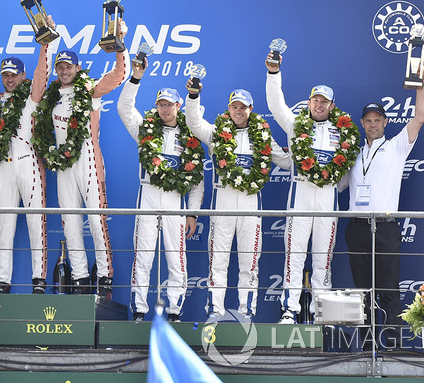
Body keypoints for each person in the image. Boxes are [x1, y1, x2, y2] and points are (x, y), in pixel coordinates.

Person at [33, 30, 129, 298]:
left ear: (78, 68)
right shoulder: (51, 95)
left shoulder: (90, 90)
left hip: (88, 160)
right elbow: (38, 84)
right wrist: (45, 46)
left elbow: (118, 76)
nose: (64, 71)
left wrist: (121, 47)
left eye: (68, 67)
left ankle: (105, 278)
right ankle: (79, 279)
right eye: (60, 67)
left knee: (97, 223)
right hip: (63, 164)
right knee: (70, 223)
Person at [265, 55, 360, 324]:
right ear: (309, 103)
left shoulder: (343, 132)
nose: (319, 105)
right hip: (300, 199)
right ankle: (290, 309)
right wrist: (274, 73)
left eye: (324, 101)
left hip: (328, 202)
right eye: (315, 100)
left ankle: (322, 311)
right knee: (294, 256)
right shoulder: (296, 125)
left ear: (332, 105)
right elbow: (276, 104)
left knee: (323, 259)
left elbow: (346, 172)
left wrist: (330, 183)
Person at [185, 81, 290, 319]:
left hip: (250, 204)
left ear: (251, 108)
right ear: (228, 108)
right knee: (218, 262)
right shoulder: (216, 133)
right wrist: (193, 96)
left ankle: (247, 312)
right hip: (222, 201)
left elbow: (285, 162)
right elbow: (194, 123)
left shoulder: (263, 134)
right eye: (234, 106)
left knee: (249, 263)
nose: (238, 111)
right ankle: (215, 312)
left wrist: (303, 149)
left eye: (243, 107)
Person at [340, 66, 424, 349]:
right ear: (362, 123)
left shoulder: (397, 146)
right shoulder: (352, 152)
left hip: (386, 228)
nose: (373, 124)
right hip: (357, 228)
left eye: (378, 120)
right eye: (368, 120)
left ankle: (393, 348)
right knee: (363, 293)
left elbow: (420, 117)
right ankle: (367, 348)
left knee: (389, 291)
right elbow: (334, 182)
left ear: (386, 122)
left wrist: (420, 87)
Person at [117, 57, 203, 322]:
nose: (165, 109)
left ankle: (175, 311)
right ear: (156, 106)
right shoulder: (145, 129)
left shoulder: (192, 135)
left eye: (169, 104)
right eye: (161, 104)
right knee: (143, 256)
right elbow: (123, 108)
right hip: (148, 195)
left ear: (179, 105)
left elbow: (198, 181)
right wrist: (135, 78)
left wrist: (193, 214)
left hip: (176, 201)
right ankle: (139, 311)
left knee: (176, 259)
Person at [0, 49, 50, 294]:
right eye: (5, 75)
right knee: (3, 224)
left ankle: (39, 280)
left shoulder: (32, 97)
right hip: (3, 164)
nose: (10, 79)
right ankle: (2, 280)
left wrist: (46, 45)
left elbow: (42, 75)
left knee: (36, 222)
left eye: (14, 74)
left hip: (29, 162)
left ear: (24, 75)